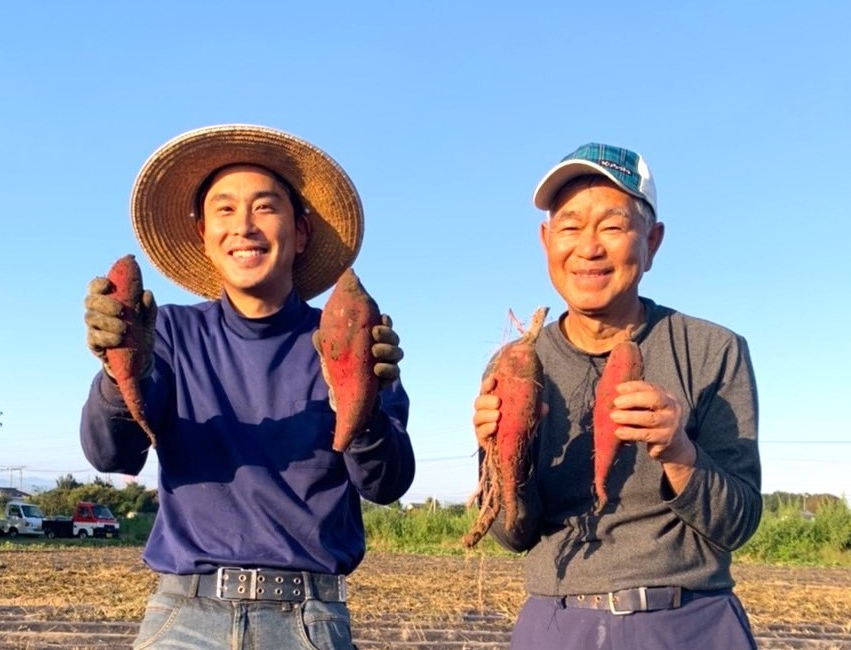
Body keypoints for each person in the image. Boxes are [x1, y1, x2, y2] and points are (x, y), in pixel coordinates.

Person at [81, 124, 415, 650]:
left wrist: (362, 400)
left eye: (265, 207)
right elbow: (110, 453)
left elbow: (386, 483)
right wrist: (120, 367)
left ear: (300, 232)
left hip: (309, 618)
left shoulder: (346, 336)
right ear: (203, 235)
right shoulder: (166, 331)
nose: (245, 226)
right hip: (184, 614)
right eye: (225, 210)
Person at [472, 143, 762, 649]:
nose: (588, 247)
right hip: (559, 624)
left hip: (690, 623)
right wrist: (507, 462)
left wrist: (680, 454)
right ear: (546, 241)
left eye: (612, 226)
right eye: (569, 227)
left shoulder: (714, 349)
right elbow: (515, 536)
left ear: (652, 241)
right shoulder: (512, 363)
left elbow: (737, 522)